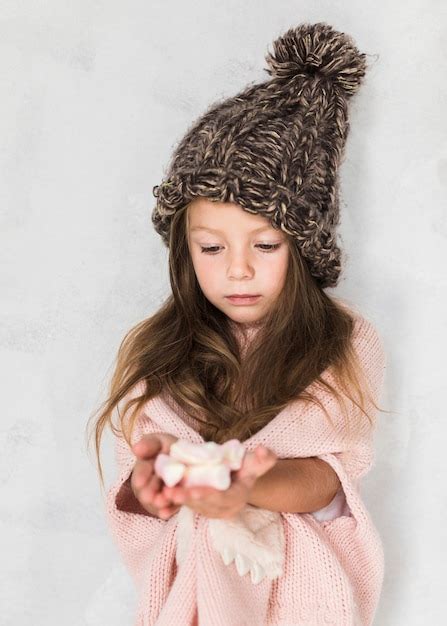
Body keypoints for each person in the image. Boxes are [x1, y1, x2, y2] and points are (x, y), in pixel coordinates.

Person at [87, 22, 388, 626]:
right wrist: (153, 489)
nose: (239, 271)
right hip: (193, 602)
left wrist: (239, 486)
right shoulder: (158, 353)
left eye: (266, 245)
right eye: (212, 249)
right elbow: (135, 488)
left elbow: (327, 482)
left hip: (296, 598)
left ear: (304, 249)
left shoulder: (340, 342)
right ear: (184, 250)